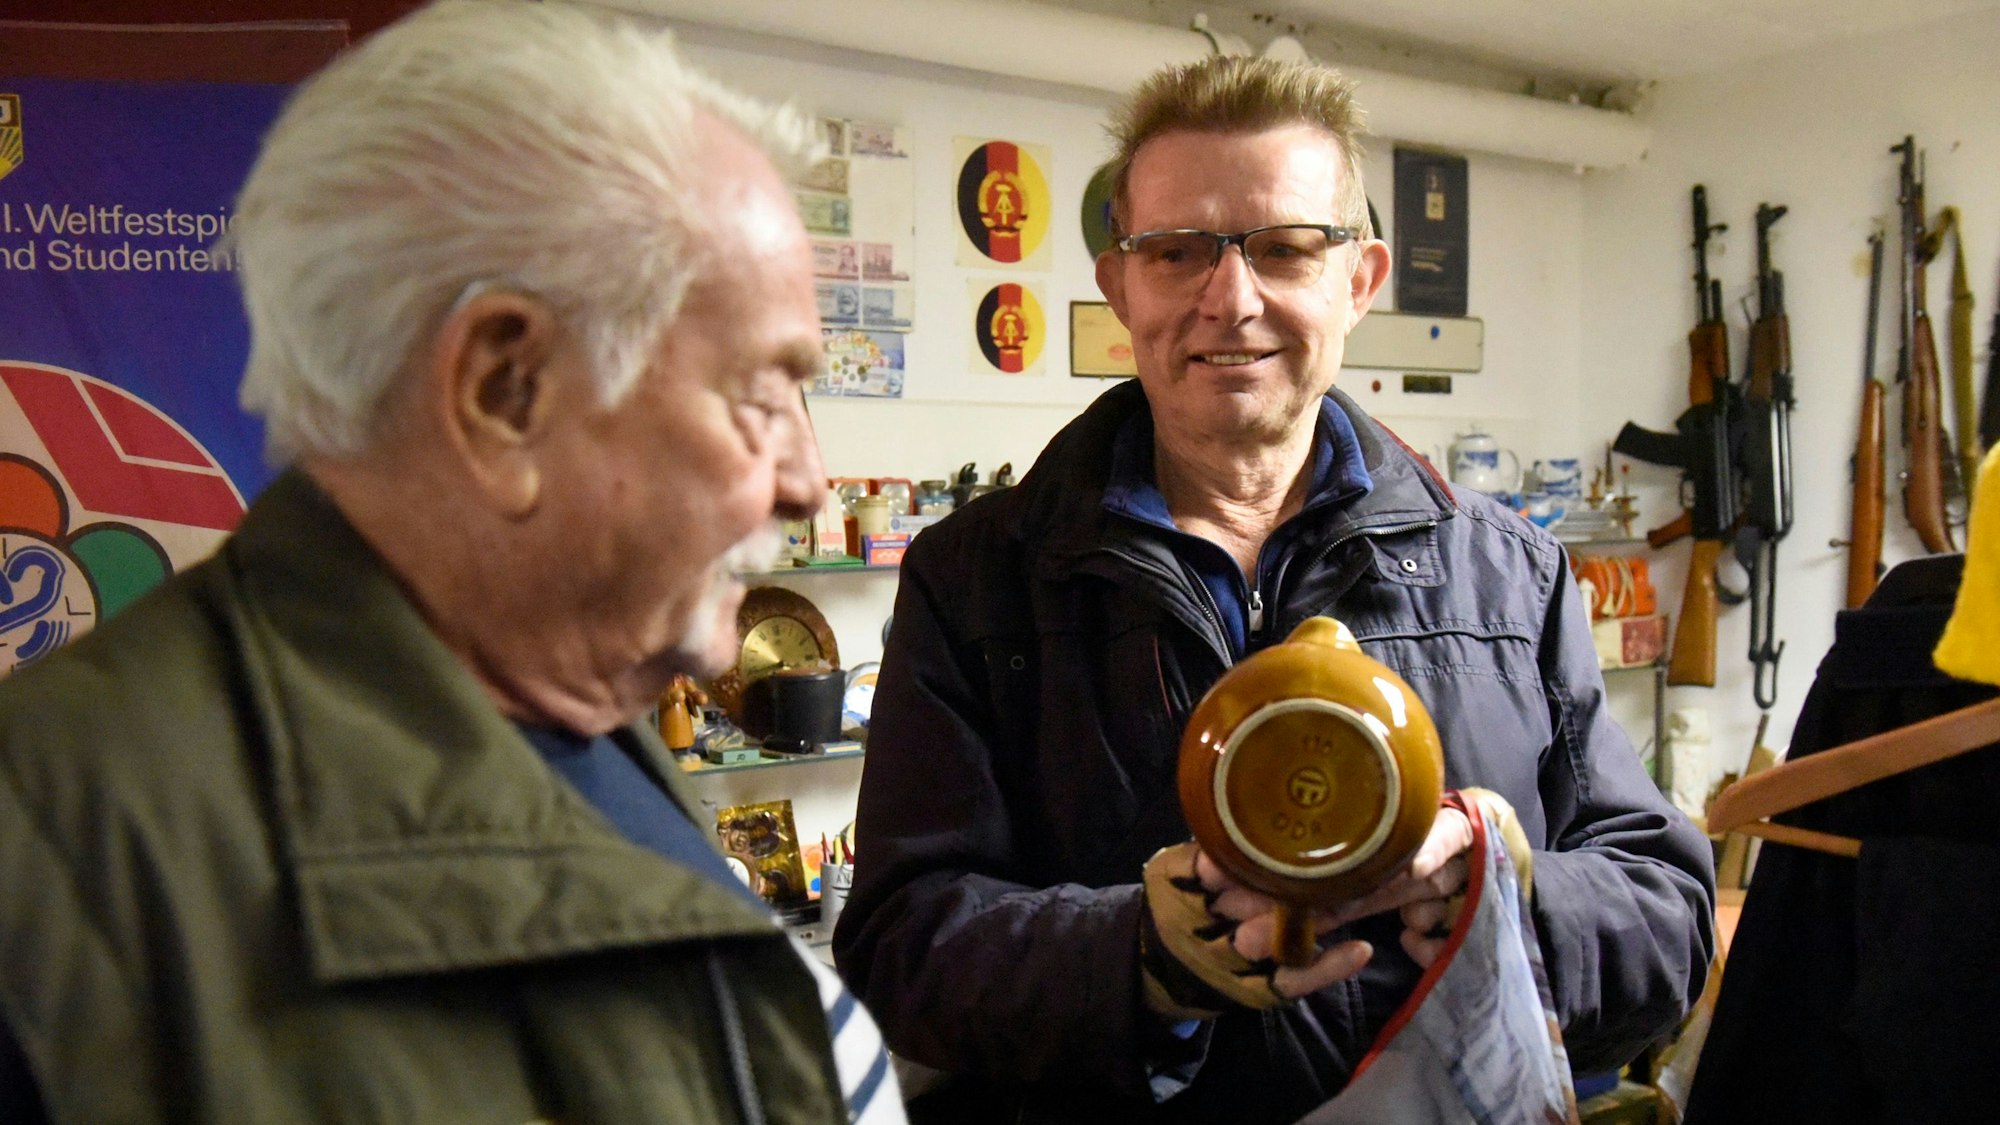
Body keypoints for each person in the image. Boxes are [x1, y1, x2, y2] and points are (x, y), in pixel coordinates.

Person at [0, 2, 900, 1122]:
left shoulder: (571, 709)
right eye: (762, 395)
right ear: (501, 394)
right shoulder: (51, 867)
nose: (807, 479)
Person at [833, 54, 1715, 1124]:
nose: (1229, 298)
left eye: (1285, 250)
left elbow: (1663, 914)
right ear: (1119, 286)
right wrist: (1138, 957)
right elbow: (899, 944)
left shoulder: (1509, 572)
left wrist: (1510, 899)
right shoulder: (975, 579)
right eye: (1175, 252)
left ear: (1357, 281)